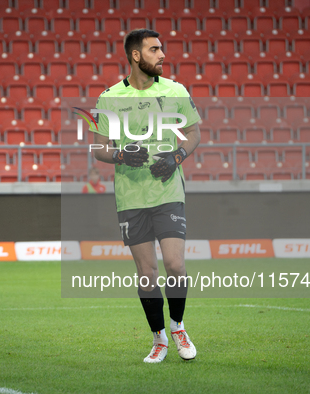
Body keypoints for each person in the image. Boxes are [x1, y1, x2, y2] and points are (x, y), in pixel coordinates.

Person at [90, 29, 201, 363]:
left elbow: (194, 133)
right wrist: (121, 156)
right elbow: (99, 149)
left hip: (168, 191)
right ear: (135, 56)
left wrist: (177, 157)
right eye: (154, 50)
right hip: (131, 197)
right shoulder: (109, 97)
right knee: (147, 273)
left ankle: (178, 326)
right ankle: (159, 338)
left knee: (175, 265)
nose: (162, 55)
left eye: (162, 49)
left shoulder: (176, 90)